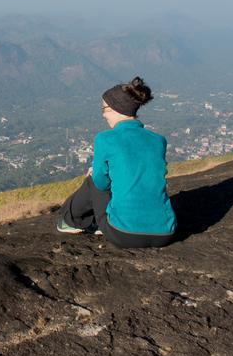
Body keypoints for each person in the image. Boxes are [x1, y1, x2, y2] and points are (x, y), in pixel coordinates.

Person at [57, 77, 176, 248]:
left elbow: (100, 183)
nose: (103, 114)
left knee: (93, 180)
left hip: (123, 234)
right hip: (165, 233)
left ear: (115, 109)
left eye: (104, 109)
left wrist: (97, 172)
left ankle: (70, 220)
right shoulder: (158, 140)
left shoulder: (105, 139)